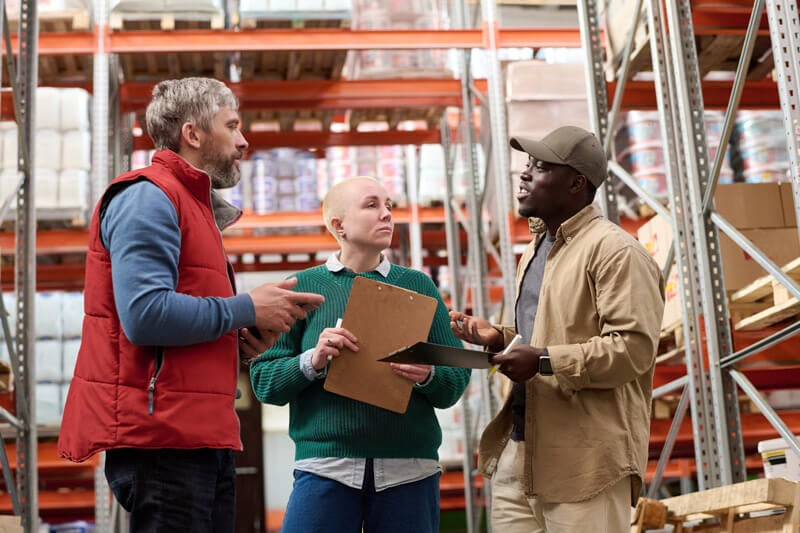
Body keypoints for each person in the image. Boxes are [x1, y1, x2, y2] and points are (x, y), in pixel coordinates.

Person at [58, 77, 325, 532]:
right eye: (232, 126)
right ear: (193, 134)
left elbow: (182, 322)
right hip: (163, 440)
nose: (243, 141)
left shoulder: (192, 206)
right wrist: (246, 308)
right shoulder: (148, 197)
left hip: (198, 434)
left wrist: (241, 341)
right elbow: (144, 316)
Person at [450, 126, 664, 533]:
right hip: (520, 451)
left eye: (540, 166)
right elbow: (546, 330)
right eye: (527, 164)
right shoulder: (534, 249)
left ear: (576, 183)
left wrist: (544, 360)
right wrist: (497, 336)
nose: (525, 174)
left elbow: (632, 350)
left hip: (584, 462)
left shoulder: (616, 252)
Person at [250, 176, 471, 533]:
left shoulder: (419, 286)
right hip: (325, 468)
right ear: (339, 225)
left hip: (409, 472)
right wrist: (313, 360)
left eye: (389, 206)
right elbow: (264, 383)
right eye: (372, 205)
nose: (386, 214)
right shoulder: (302, 288)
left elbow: (455, 380)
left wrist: (428, 374)